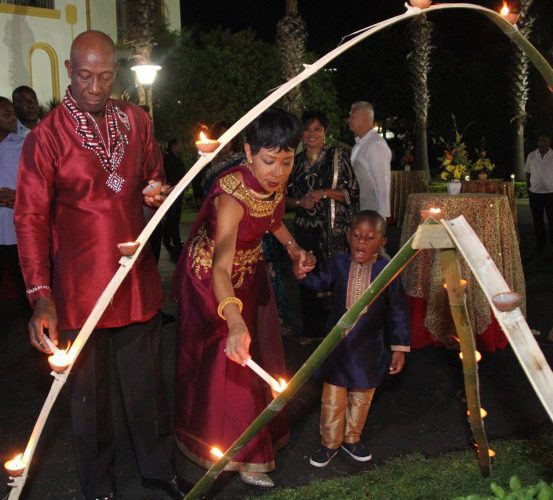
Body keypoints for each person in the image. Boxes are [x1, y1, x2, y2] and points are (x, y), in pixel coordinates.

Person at [14, 31, 187, 500]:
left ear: (116, 72)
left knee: (148, 386)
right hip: (79, 290)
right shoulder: (46, 136)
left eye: (105, 76)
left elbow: (154, 178)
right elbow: (30, 216)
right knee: (88, 400)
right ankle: (99, 485)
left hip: (134, 282)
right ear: (69, 71)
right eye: (85, 75)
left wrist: (156, 194)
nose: (95, 87)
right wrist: (40, 295)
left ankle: (158, 468)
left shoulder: (136, 120)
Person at [173, 108, 312, 488]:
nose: (279, 172)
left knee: (253, 353)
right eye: (269, 161)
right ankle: (242, 453)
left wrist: (294, 248)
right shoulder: (231, 195)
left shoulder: (274, 179)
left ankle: (246, 443)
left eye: (287, 161)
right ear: (248, 152)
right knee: (227, 360)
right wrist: (233, 321)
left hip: (248, 273)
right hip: (209, 280)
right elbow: (220, 267)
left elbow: (273, 218)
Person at [297, 210, 410, 467]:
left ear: (382, 243)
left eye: (370, 238)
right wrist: (302, 273)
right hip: (338, 348)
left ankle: (351, 438)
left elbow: (398, 311)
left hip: (369, 349)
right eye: (357, 236)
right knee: (333, 398)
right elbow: (320, 283)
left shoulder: (387, 270)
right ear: (348, 237)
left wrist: (399, 348)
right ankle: (329, 443)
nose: (361, 242)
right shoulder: (338, 263)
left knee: (362, 396)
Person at [287, 109, 359, 344]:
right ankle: (312, 329)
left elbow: (352, 192)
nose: (311, 134)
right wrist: (299, 201)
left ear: (325, 132)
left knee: (335, 276)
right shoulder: (294, 162)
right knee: (306, 273)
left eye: (317, 129)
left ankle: (337, 331)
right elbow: (281, 196)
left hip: (333, 230)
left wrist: (324, 192)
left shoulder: (338, 156)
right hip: (304, 228)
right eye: (307, 129)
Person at [0, 97, 26, 302]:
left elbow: (40, 184)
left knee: (28, 294)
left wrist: (22, 197)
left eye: (13, 111)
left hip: (18, 231)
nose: (13, 116)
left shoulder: (24, 144)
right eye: (7, 113)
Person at [348, 101, 392, 219]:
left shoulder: (375, 144)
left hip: (372, 213)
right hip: (359, 210)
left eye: (352, 116)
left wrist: (382, 216)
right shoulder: (359, 144)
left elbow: (383, 182)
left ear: (365, 117)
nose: (349, 120)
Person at [525, 133, 553, 254]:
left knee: (552, 220)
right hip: (535, 193)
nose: (542, 143)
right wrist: (529, 186)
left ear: (549, 142)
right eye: (540, 140)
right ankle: (541, 244)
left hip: (551, 193)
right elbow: (528, 172)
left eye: (544, 140)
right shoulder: (531, 156)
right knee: (537, 220)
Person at [162, 138, 185, 258]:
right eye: (179, 145)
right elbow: (167, 173)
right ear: (173, 146)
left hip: (178, 190)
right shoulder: (168, 158)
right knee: (171, 216)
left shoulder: (177, 158)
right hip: (171, 190)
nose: (180, 147)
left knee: (176, 216)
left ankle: (175, 240)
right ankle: (168, 240)